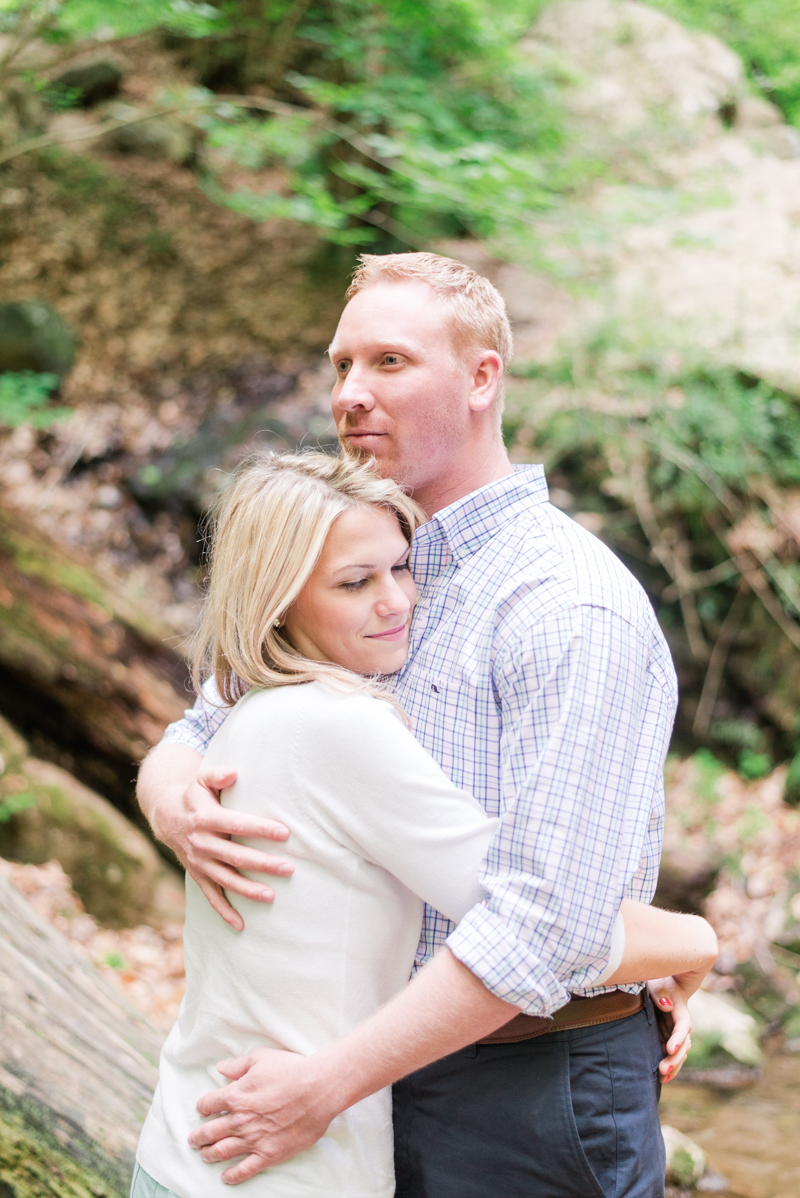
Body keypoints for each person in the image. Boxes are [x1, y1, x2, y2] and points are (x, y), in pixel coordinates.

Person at [137, 253, 714, 1198]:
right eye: (341, 366)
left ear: (484, 377)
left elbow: (544, 924)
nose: (352, 394)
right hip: (368, 1067)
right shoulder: (355, 554)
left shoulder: (567, 604)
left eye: (390, 363)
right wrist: (171, 803)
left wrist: (329, 1084)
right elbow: (206, 719)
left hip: (528, 1090)